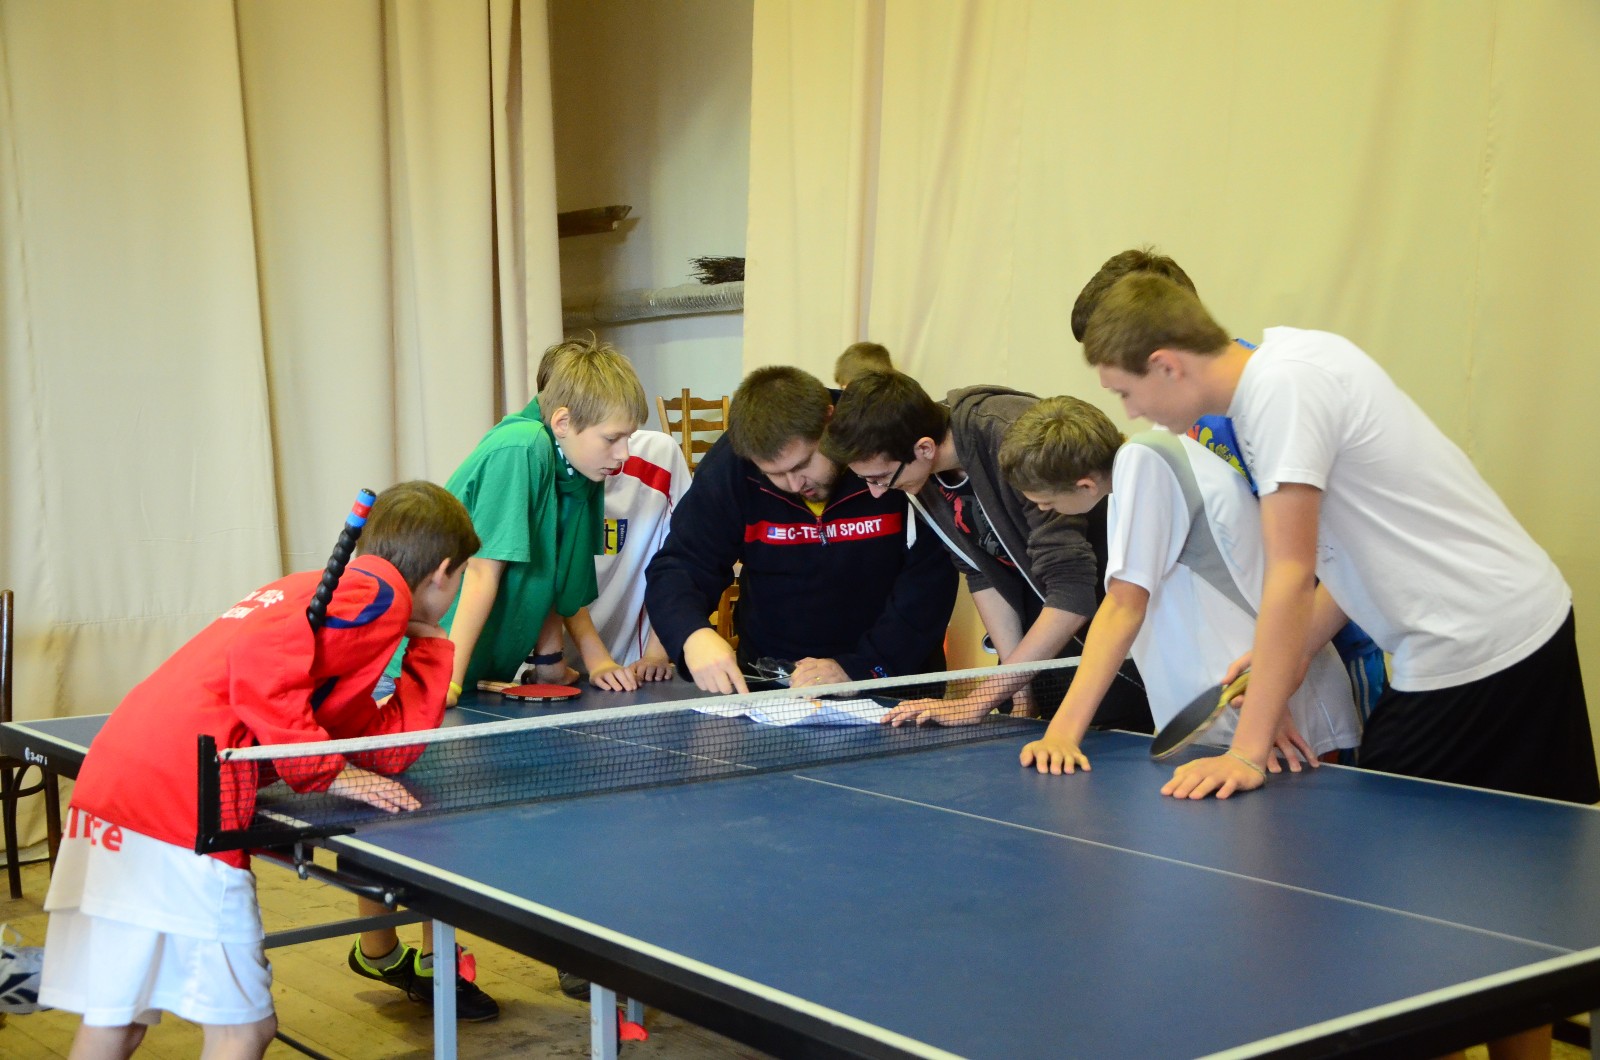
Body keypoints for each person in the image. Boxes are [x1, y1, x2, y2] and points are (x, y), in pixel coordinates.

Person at [1081, 270, 1599, 808]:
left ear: (1166, 365)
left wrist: (1246, 753)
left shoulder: (1281, 393)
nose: (1131, 412)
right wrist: (1291, 653)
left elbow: (1291, 572)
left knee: (1395, 831)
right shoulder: (1288, 369)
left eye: (1125, 392)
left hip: (1473, 641)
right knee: (1533, 840)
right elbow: (1346, 553)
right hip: (1517, 620)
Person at [38, 481, 480, 1059]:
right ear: (443, 571)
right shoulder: (376, 594)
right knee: (243, 1031)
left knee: (116, 1020)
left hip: (117, 784)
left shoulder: (319, 591)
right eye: (461, 577)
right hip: (184, 802)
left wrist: (429, 648)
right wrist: (326, 772)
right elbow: (258, 664)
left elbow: (381, 749)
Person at [352, 337, 647, 1018]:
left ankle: (462, 954)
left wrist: (587, 660)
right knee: (403, 812)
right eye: (613, 438)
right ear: (564, 421)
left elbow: (560, 581)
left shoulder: (582, 469)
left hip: (463, 663)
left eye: (628, 438)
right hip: (413, 658)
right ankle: (381, 950)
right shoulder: (521, 449)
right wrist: (445, 680)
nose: (623, 453)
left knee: (457, 814)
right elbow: (484, 572)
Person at [1070, 248, 1388, 735]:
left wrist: (1287, 663)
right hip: (1274, 643)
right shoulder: (1178, 423)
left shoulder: (1265, 399)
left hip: (1339, 626)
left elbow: (1349, 549)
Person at [1005, 397, 1360, 775]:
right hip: (1247, 707)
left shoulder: (1143, 460)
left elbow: (1123, 606)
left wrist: (1062, 732)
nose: (1044, 511)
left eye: (1046, 502)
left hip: (1273, 711)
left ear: (1085, 485)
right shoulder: (1156, 455)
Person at [821, 371, 1152, 730]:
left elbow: (1072, 592)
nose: (877, 492)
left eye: (881, 478)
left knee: (1105, 739)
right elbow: (980, 570)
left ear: (925, 449)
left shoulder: (1012, 441)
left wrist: (975, 702)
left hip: (1112, 617)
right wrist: (1018, 687)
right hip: (1043, 620)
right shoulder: (917, 476)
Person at [645, 366, 957, 695]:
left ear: (829, 420)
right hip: (777, 683)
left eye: (802, 464)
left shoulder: (883, 441)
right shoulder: (732, 465)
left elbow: (932, 577)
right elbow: (681, 563)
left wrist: (859, 668)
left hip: (895, 681)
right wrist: (693, 634)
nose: (794, 485)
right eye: (775, 474)